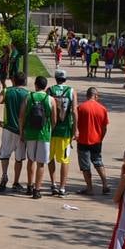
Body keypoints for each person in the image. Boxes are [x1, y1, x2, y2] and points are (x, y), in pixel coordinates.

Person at [17, 75, 56, 199]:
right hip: (44, 134)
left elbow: (21, 116)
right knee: (41, 163)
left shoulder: (28, 97)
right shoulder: (50, 99)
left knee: (31, 160)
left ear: (35, 85)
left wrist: (22, 132)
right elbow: (54, 119)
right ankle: (37, 190)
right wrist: (50, 129)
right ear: (45, 86)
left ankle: (29, 185)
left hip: (30, 132)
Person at [0, 71, 29, 193]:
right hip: (21, 131)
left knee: (5, 154)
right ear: (24, 81)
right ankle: (16, 182)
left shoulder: (7, 91)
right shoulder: (27, 94)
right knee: (19, 158)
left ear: (13, 80)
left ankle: (4, 175)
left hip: (8, 128)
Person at [46, 70, 78, 198]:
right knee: (65, 160)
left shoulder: (50, 90)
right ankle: (62, 187)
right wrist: (75, 129)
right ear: (65, 78)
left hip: (51, 130)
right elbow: (74, 111)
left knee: (50, 158)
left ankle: (53, 184)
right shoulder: (71, 91)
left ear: (55, 78)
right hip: (65, 131)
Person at [74, 87, 110, 196]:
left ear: (87, 95)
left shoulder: (80, 108)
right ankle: (105, 184)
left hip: (83, 140)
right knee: (98, 162)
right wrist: (101, 138)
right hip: (97, 140)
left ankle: (89, 188)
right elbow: (104, 128)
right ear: (96, 95)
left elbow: (75, 123)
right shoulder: (102, 108)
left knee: (85, 166)